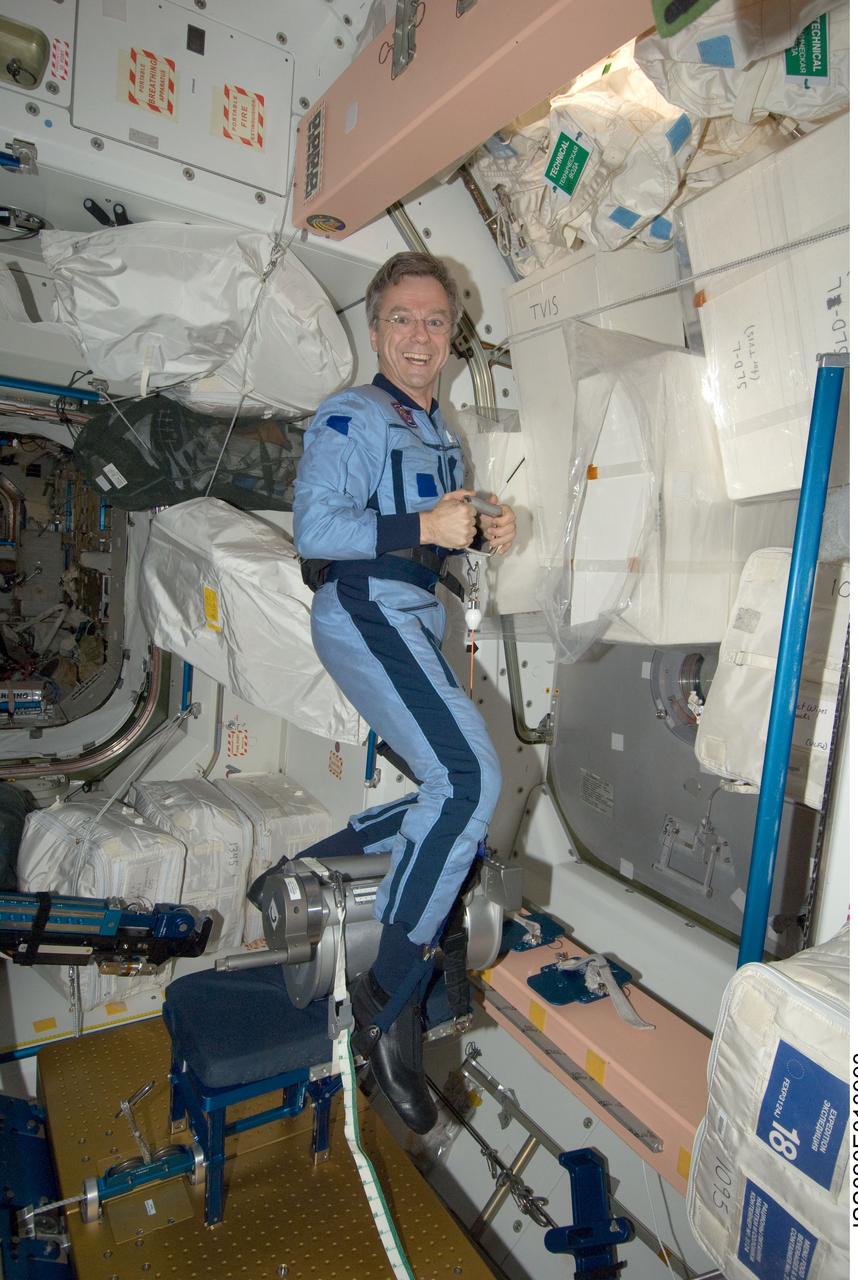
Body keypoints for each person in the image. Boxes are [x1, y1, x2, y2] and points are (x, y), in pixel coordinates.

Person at [292, 251, 516, 1132]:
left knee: (454, 791)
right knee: (471, 781)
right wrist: (427, 521)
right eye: (402, 319)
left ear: (451, 335)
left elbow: (430, 537)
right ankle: (387, 1001)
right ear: (376, 327)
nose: (419, 336)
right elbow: (317, 526)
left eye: (434, 321)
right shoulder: (351, 414)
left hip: (412, 611)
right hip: (362, 604)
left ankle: (319, 863)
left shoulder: (438, 432)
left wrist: (480, 533)